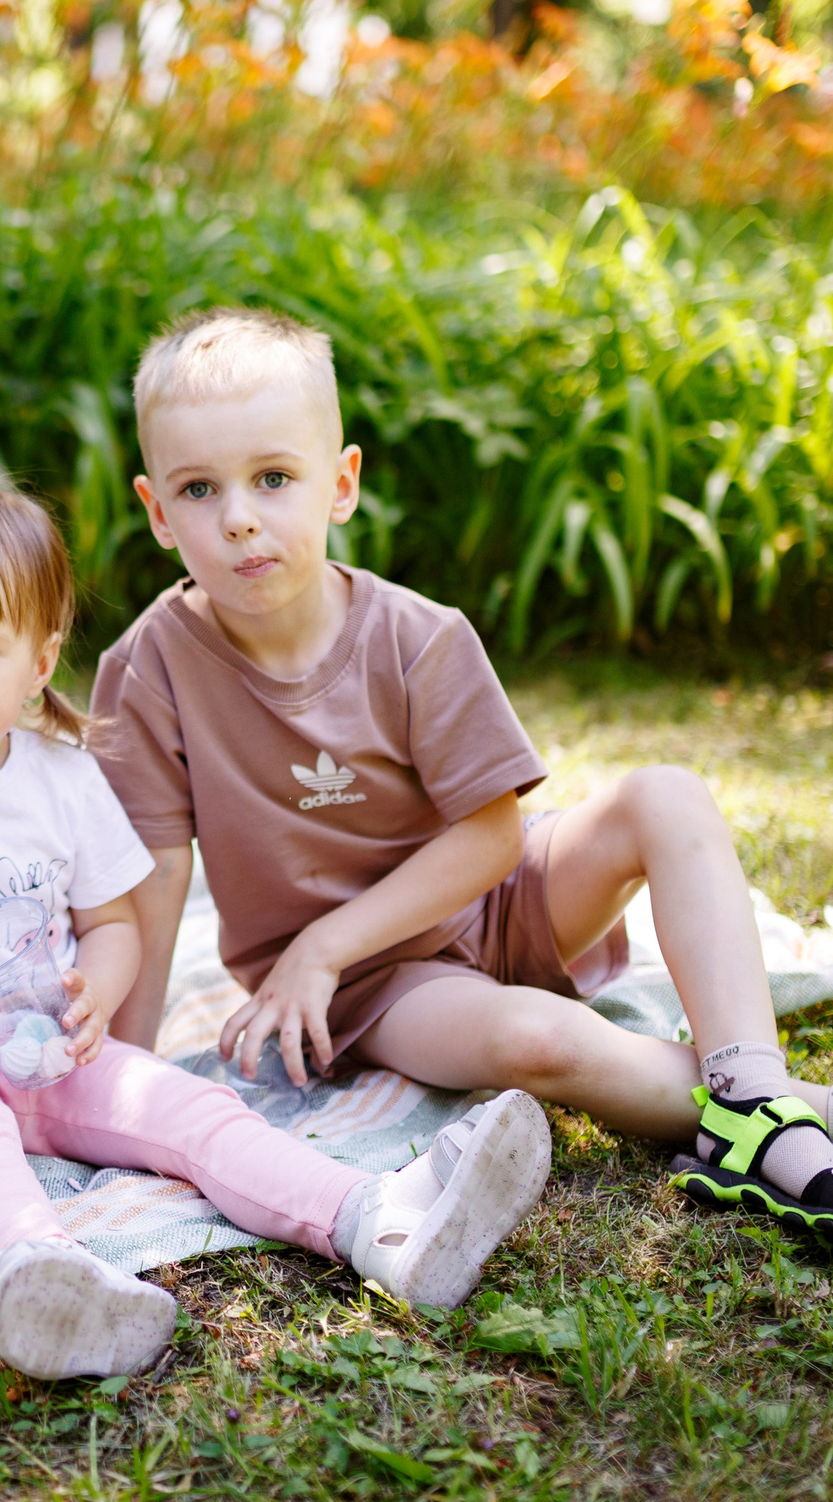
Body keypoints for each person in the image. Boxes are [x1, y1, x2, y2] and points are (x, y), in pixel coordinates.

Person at [0, 478, 554, 1383]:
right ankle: (36, 1272)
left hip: (41, 1041)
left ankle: (378, 1221)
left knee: (185, 1105)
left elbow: (112, 923)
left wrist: (96, 982)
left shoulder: (60, 778)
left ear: (39, 662)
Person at [91, 306, 833, 1237]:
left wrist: (320, 945)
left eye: (273, 477)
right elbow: (155, 876)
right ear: (157, 510)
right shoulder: (149, 668)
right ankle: (787, 1110)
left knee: (666, 794)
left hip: (500, 896)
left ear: (340, 483)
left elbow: (492, 835)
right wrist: (121, 1075)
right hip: (376, 981)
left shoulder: (416, 635)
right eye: (199, 490)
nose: (239, 518)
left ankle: (754, 1092)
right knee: (535, 1038)